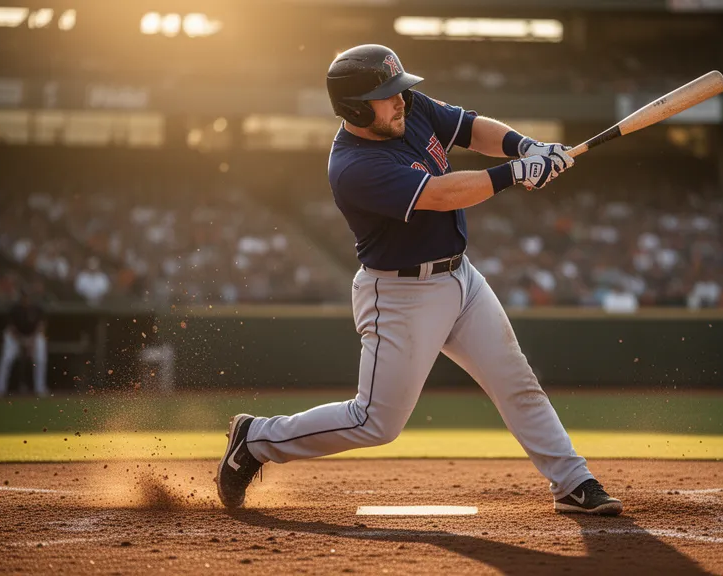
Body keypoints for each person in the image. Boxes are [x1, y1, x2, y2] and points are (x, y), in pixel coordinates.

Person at [216, 45, 622, 515]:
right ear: (352, 109)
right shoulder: (353, 167)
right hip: (401, 294)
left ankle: (573, 482)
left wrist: (524, 146)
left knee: (518, 382)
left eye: (399, 91)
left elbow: (469, 126)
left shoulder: (407, 108)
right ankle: (256, 438)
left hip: (461, 279)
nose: (400, 101)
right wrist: (515, 173)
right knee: (375, 423)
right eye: (387, 96)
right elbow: (440, 194)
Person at [0, 289, 48, 398]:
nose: (26, 299)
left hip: (33, 337)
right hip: (15, 338)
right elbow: (11, 329)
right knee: (7, 358)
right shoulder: (15, 309)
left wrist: (31, 342)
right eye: (24, 297)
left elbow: (41, 327)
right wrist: (22, 342)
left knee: (40, 358)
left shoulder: (37, 308)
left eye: (28, 297)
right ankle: (0, 389)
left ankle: (40, 388)